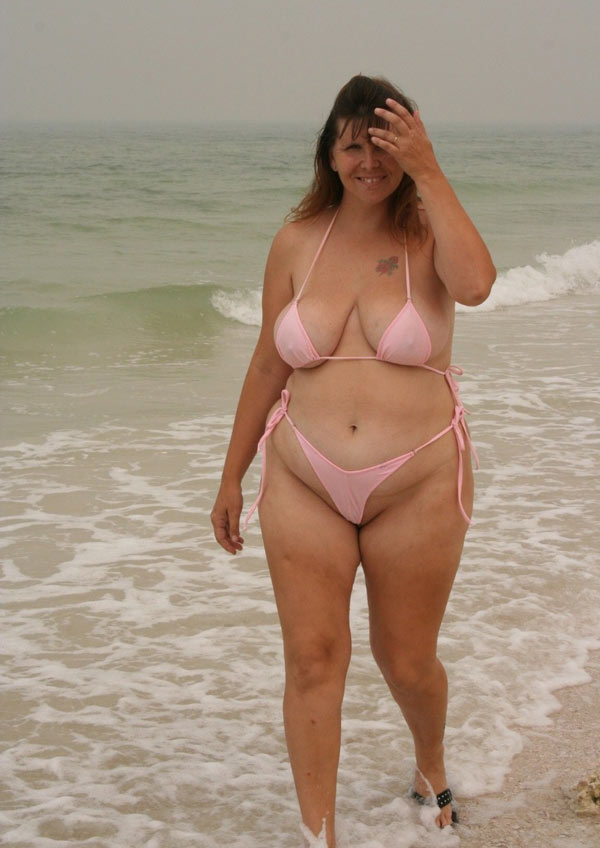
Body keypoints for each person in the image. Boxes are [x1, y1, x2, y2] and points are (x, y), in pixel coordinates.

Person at [211, 74, 495, 845]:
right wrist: (231, 473)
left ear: (410, 149)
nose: (369, 162)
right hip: (303, 478)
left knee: (406, 661)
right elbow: (267, 363)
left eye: (386, 147)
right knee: (311, 660)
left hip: (418, 479)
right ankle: (320, 836)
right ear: (329, 154)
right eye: (353, 147)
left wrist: (431, 171)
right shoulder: (296, 242)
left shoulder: (428, 233)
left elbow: (476, 286)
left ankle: (430, 765)